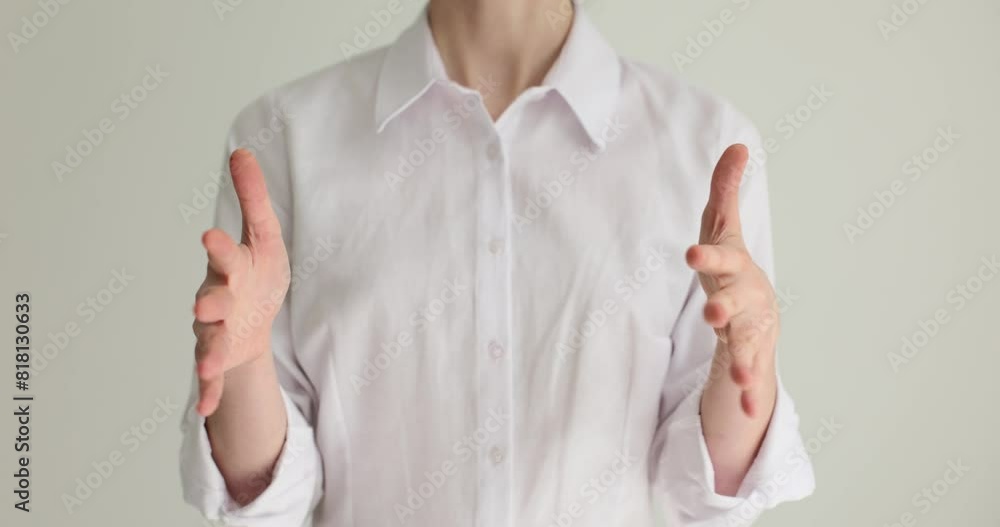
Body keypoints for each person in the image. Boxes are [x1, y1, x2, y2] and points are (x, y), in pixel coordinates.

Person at [180, 0, 815, 525]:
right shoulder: (285, 138)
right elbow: (265, 499)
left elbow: (704, 494)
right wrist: (245, 364)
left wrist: (746, 365)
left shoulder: (704, 144)